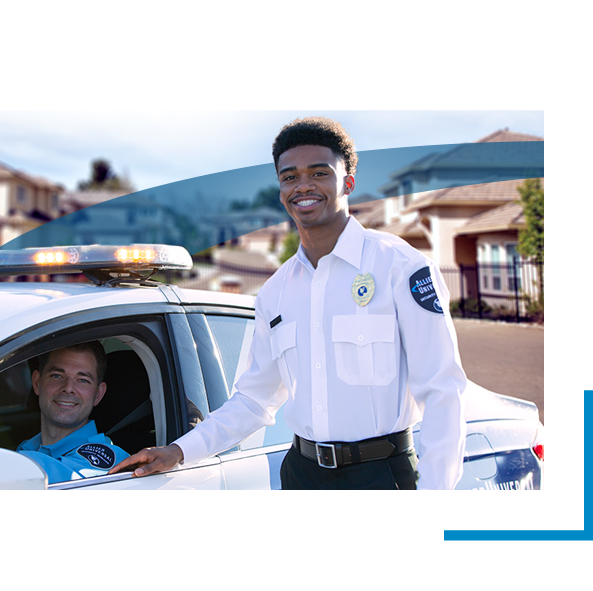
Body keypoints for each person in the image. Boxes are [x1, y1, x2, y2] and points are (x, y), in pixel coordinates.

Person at [110, 117, 467, 490]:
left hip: (381, 475)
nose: (303, 186)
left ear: (348, 183)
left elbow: (442, 389)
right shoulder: (276, 292)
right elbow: (254, 400)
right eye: (290, 177)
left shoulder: (399, 267)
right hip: (301, 475)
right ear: (281, 191)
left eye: (319, 173)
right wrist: (178, 451)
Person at [17, 341, 130, 483]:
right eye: (57, 375)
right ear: (37, 383)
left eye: (83, 380)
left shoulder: (115, 463)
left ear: (98, 394)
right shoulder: (27, 448)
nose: (68, 388)